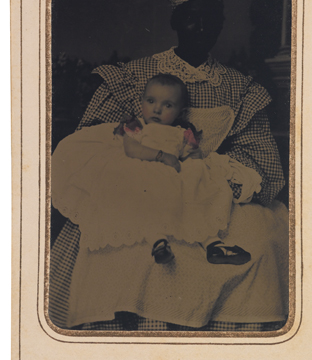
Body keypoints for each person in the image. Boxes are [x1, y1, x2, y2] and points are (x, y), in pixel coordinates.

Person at [49, 0, 288, 331]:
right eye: (191, 17)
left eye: (210, 18)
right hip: (142, 176)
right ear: (175, 20)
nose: (201, 26)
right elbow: (97, 137)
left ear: (221, 24)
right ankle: (127, 313)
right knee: (126, 232)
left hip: (201, 180)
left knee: (261, 233)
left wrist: (221, 174)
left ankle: (238, 331)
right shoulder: (135, 77)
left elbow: (263, 160)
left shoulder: (239, 87)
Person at [52, 72, 260, 268]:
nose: (157, 110)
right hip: (147, 168)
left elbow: (192, 155)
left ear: (180, 111)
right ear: (142, 101)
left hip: (173, 172)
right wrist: (161, 156)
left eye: (167, 105)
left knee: (194, 190)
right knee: (149, 198)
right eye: (151, 102)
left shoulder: (184, 132)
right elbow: (131, 149)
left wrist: (193, 163)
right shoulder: (137, 125)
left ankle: (212, 244)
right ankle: (158, 242)